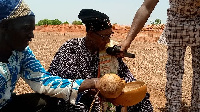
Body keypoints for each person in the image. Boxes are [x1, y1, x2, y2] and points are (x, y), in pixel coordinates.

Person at [0, 0, 98, 112]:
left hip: (5, 104)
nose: (31, 36)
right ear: (5, 26)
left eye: (32, 30)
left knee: (48, 101)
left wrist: (91, 83)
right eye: (26, 29)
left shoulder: (21, 52)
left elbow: (42, 80)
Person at [48, 9, 153, 112]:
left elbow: (126, 76)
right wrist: (99, 91)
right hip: (80, 97)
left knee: (142, 101)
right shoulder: (71, 48)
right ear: (90, 33)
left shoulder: (109, 50)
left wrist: (124, 89)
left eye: (110, 35)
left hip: (109, 98)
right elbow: (64, 84)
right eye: (104, 37)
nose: (108, 40)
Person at [119, 0, 200, 111]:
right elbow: (146, 8)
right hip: (176, 24)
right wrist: (128, 40)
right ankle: (173, 108)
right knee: (174, 72)